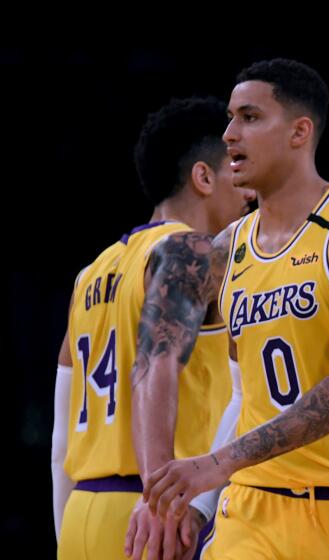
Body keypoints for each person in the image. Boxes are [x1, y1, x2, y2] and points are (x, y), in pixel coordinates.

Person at [141, 58, 329, 559]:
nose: (230, 133)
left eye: (250, 117)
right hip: (254, 510)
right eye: (230, 118)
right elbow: (223, 386)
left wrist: (218, 461)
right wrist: (170, 495)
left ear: (300, 131)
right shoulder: (227, 248)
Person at [51, 97, 253, 559]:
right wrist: (160, 502)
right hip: (157, 512)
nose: (248, 192)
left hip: (85, 511)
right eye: (235, 171)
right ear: (203, 177)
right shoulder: (193, 251)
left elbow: (62, 431)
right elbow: (154, 367)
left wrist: (70, 531)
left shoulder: (91, 273)